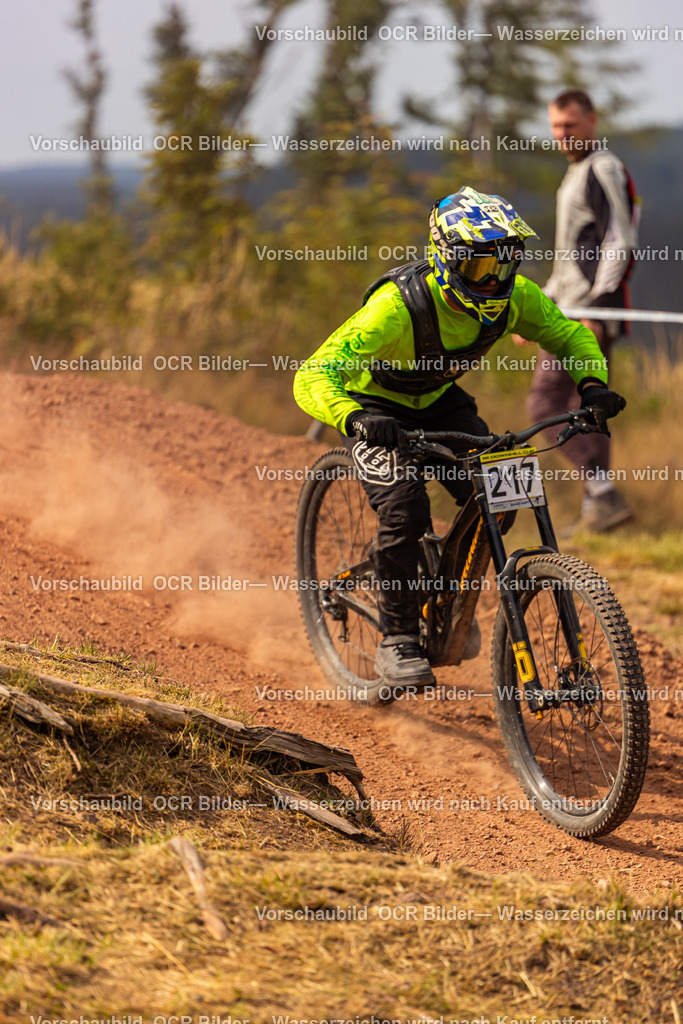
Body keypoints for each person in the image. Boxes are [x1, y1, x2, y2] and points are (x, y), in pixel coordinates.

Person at [293, 186, 625, 689]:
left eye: (505, 264)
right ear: (446, 260)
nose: (494, 280)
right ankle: (398, 637)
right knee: (404, 507)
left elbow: (569, 333)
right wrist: (353, 417)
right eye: (479, 267)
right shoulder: (396, 308)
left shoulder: (518, 297)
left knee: (502, 493)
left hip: (442, 403)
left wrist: (592, 383)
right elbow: (313, 374)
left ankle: (447, 597)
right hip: (376, 408)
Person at [513, 89, 639, 532]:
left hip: (584, 315)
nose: (562, 134)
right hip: (568, 307)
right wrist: (537, 306)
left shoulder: (603, 167)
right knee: (587, 405)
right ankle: (600, 512)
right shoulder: (575, 173)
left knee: (544, 401)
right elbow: (570, 261)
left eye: (570, 125)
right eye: (555, 127)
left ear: (592, 120)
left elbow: (619, 241)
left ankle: (602, 494)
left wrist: (595, 312)